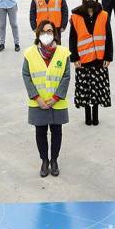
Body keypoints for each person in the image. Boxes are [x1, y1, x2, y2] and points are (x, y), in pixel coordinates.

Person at [23, 20, 71, 178]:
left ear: (55, 34)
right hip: (38, 102)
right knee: (40, 131)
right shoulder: (29, 53)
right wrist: (36, 97)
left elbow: (66, 76)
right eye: (43, 31)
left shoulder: (63, 53)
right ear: (38, 34)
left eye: (50, 31)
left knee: (57, 131)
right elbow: (26, 75)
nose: (47, 34)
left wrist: (57, 97)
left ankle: (54, 160)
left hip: (57, 102)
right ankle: (44, 160)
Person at [69, 0, 113, 126]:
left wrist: (108, 57)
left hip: (99, 59)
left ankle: (95, 116)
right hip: (83, 60)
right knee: (85, 89)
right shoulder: (76, 17)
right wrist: (74, 58)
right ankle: (87, 116)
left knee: (97, 89)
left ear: (97, 0)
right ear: (84, 0)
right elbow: (72, 38)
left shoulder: (104, 15)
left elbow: (109, 37)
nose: (91, 0)